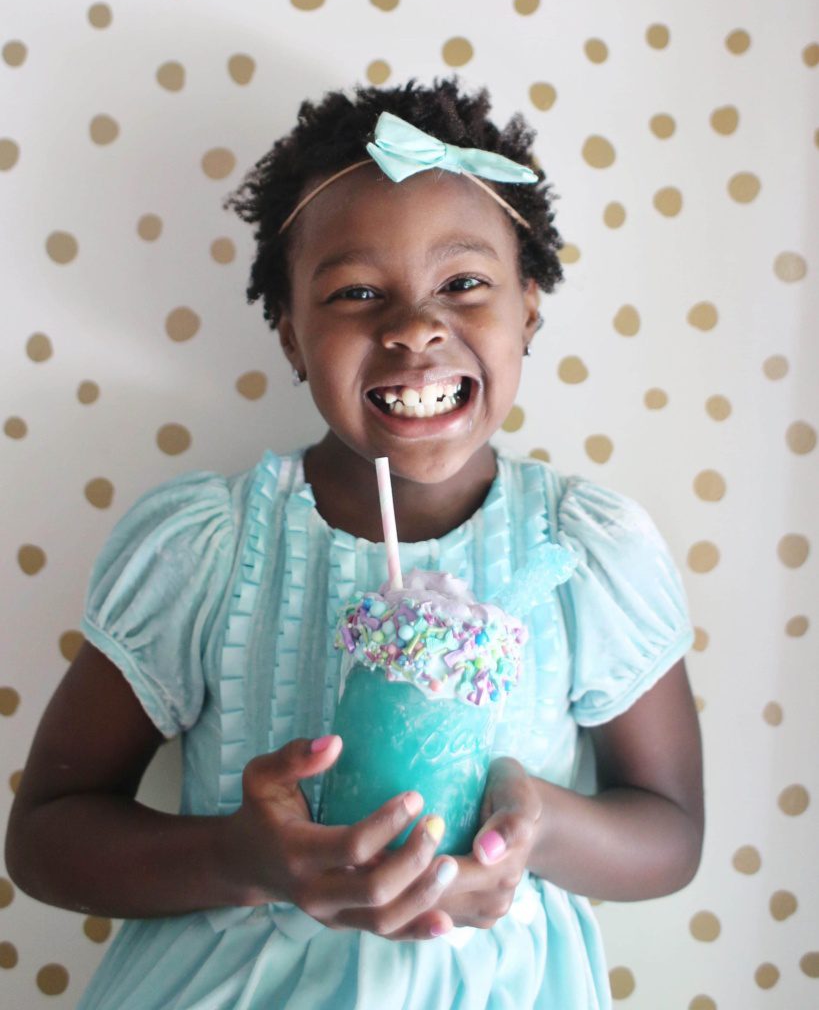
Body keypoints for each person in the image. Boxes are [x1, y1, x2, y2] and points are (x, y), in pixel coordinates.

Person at [5, 78, 704, 1009]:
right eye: (356, 292)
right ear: (292, 335)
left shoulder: (583, 553)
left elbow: (670, 834)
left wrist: (537, 831)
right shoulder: (210, 549)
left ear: (529, 308)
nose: (414, 326)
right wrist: (243, 858)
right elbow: (46, 839)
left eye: (464, 283)